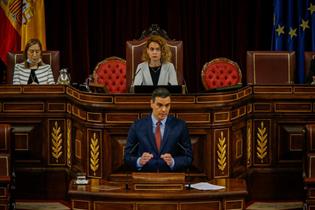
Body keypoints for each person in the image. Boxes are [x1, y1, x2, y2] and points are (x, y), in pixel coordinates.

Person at [124, 87, 192, 172]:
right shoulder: (137, 126)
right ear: (151, 103)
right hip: (145, 178)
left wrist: (173, 162)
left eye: (167, 105)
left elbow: (188, 157)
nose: (164, 110)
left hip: (171, 178)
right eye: (159, 105)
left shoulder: (180, 126)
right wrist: (139, 161)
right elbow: (127, 156)